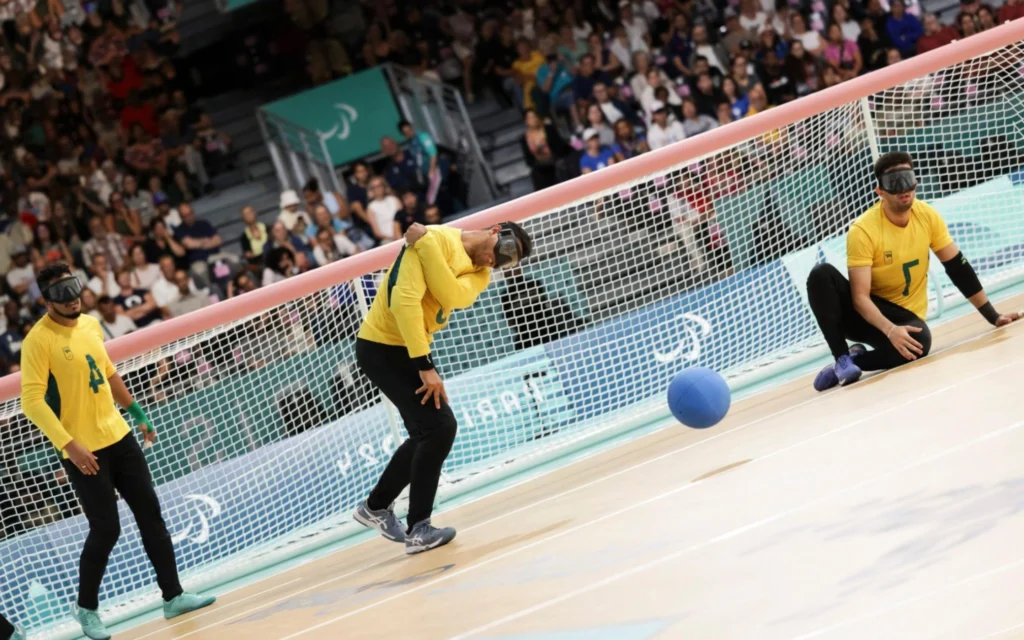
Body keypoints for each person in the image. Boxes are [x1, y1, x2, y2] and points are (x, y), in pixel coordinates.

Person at [19, 263, 216, 640]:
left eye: (74, 288)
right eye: (61, 294)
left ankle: (173, 596)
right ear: (46, 302)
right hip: (82, 449)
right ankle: (86, 608)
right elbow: (31, 402)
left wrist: (138, 413)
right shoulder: (37, 341)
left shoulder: (91, 325)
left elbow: (108, 373)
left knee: (150, 514)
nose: (73, 298)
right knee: (106, 528)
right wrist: (68, 445)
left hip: (118, 436)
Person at [352, 220, 533, 554]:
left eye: (508, 263)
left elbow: (452, 295)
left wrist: (424, 247)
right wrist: (424, 366)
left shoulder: (458, 260)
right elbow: (403, 302)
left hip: (410, 347)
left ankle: (376, 507)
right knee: (440, 427)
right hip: (383, 347)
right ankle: (417, 528)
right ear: (495, 230)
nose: (498, 263)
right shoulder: (436, 238)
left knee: (428, 431)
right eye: (504, 252)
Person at [806, 151, 1021, 391]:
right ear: (880, 191)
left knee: (920, 342)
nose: (903, 188)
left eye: (907, 179)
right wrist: (889, 329)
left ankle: (856, 361)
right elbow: (859, 298)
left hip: (904, 315)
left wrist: (993, 316)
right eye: (893, 183)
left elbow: (958, 268)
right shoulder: (863, 230)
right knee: (821, 274)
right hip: (864, 314)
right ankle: (842, 359)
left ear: (916, 182)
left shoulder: (927, 216)